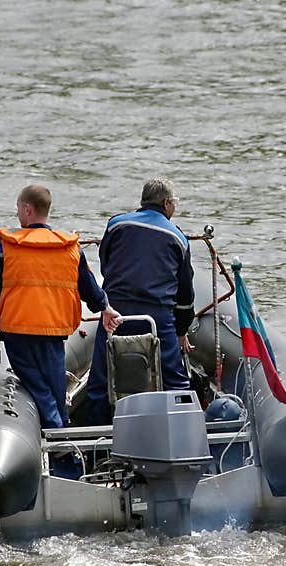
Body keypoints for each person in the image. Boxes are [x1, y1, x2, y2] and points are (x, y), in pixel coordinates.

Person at [0, 184, 121, 429]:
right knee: (55, 393)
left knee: (39, 390)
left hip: (18, 336)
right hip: (53, 336)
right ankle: (64, 444)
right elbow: (90, 290)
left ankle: (58, 434)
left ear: (27, 209)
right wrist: (106, 309)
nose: (17, 214)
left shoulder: (7, 247)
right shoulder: (69, 247)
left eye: (18, 209)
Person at [85, 178, 195, 425]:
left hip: (116, 312)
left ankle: (96, 438)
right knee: (176, 380)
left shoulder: (116, 225)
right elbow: (185, 294)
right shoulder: (177, 237)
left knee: (100, 378)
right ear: (167, 203)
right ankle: (184, 430)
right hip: (157, 317)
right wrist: (181, 331)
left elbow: (106, 262)